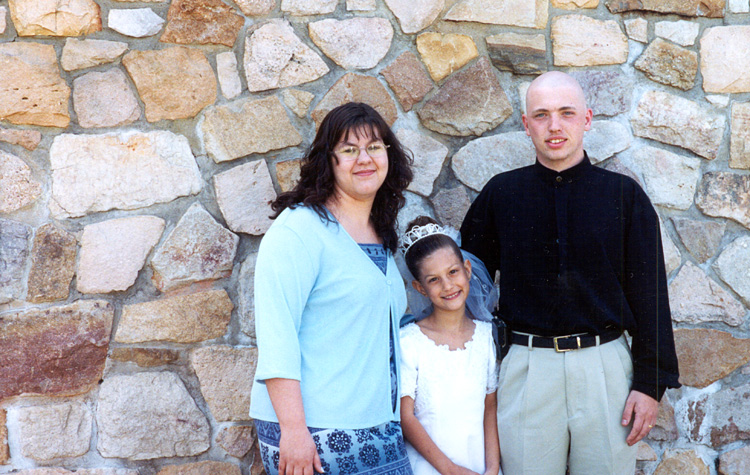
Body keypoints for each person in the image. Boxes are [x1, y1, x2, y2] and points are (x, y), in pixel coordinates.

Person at [460, 71, 680, 475]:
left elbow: (650, 295)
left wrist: (650, 384)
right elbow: (465, 284)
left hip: (606, 370)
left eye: (566, 113)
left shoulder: (624, 197)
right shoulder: (501, 195)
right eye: (541, 115)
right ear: (527, 125)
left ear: (587, 119)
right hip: (527, 369)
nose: (554, 125)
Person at [249, 102, 414, 475]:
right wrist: (293, 430)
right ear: (329, 160)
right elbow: (277, 336)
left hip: (376, 425)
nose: (364, 159)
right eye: (349, 149)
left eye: (374, 147)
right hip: (314, 432)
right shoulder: (298, 231)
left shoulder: (379, 231)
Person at [398, 216, 501, 475]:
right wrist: (450, 470)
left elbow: (490, 407)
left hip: (480, 464)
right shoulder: (409, 342)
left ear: (467, 269)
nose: (448, 286)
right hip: (431, 467)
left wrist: (493, 468)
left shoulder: (486, 336)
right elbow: (405, 417)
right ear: (420, 288)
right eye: (433, 280)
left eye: (453, 272)